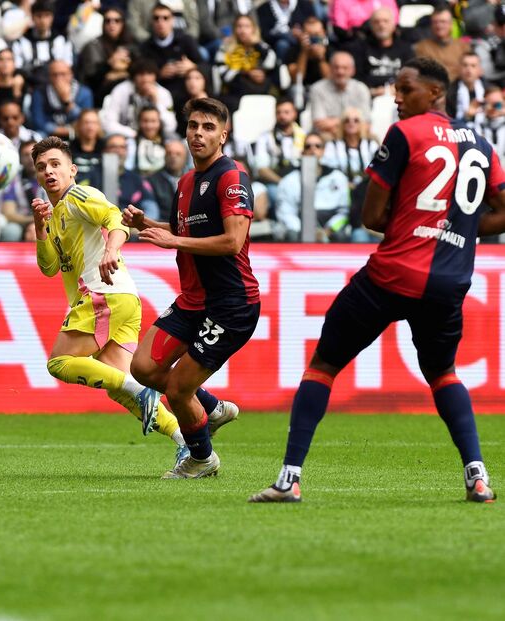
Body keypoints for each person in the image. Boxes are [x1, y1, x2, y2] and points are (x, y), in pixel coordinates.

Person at [249, 58, 505, 504]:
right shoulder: (483, 145)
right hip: (448, 282)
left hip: (393, 274)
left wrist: (415, 226)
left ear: (435, 94)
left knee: (324, 364)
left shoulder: (406, 133)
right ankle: (477, 476)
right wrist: (457, 229)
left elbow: (369, 216)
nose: (396, 97)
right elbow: (502, 209)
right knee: (443, 373)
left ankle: (289, 479)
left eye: (406, 89)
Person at [29, 135, 238, 472]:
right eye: (42, 167)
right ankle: (188, 445)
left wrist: (111, 249)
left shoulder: (80, 195)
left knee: (60, 363)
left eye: (55, 165)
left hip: (103, 294)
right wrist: (40, 227)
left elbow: (115, 220)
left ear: (72, 170)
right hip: (121, 297)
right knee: (120, 387)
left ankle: (143, 392)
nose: (49, 172)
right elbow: (50, 267)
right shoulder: (53, 213)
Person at [123, 97, 260, 479]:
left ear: (223, 135)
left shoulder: (232, 177)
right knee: (144, 367)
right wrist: (145, 223)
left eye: (208, 128)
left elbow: (233, 241)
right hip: (194, 300)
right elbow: (182, 232)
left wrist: (176, 243)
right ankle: (212, 409)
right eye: (193, 126)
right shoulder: (186, 181)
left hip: (231, 305)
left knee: (178, 390)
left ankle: (201, 459)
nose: (198, 133)